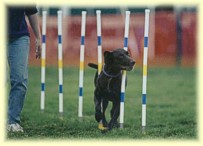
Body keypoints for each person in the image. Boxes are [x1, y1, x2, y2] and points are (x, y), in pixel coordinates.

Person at [7, 6, 41, 132]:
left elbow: (31, 11)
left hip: (19, 37)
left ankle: (12, 122)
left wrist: (38, 37)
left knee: (20, 79)